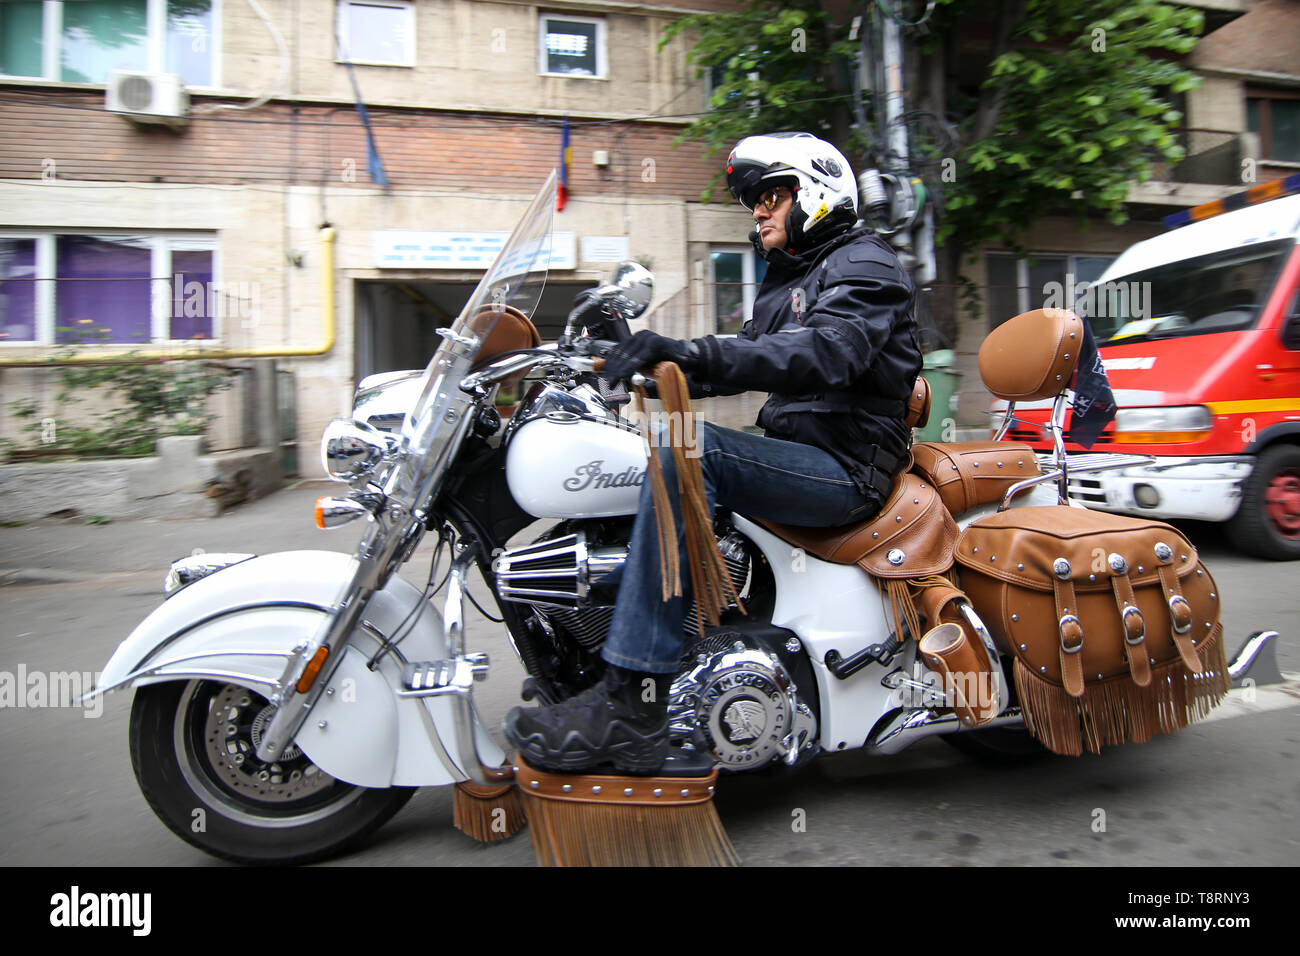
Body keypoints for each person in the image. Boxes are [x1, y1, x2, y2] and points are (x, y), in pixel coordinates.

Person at [503, 132, 923, 774]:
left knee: (686, 449)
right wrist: (632, 357)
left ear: (816, 193)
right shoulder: (789, 283)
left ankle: (632, 703)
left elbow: (823, 353)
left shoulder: (867, 264)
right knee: (646, 453)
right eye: (754, 200)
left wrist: (687, 352)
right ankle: (605, 660)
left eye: (771, 195)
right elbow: (733, 365)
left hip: (845, 470)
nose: (758, 210)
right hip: (795, 453)